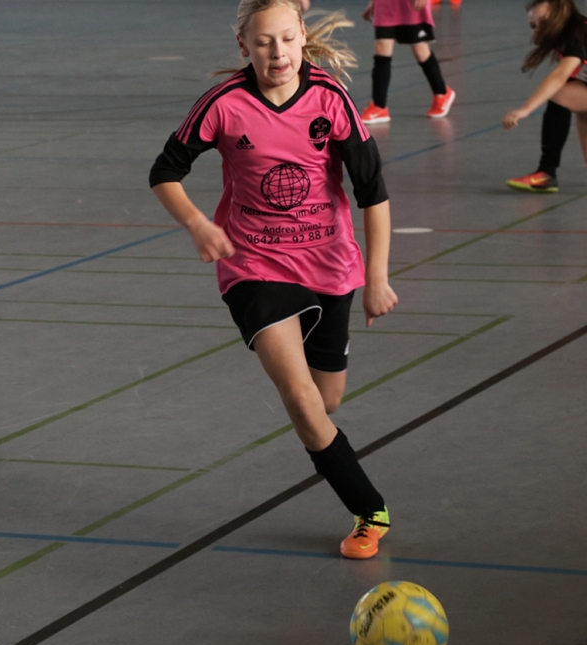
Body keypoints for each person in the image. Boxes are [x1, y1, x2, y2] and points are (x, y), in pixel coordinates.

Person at [150, 0, 398, 559]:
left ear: (303, 36)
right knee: (302, 401)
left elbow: (373, 193)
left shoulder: (330, 99)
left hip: (330, 264)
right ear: (244, 46)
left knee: (326, 401)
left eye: (286, 39)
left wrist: (378, 277)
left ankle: (326, 433)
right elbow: (164, 171)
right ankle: (369, 509)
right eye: (263, 42)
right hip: (254, 264)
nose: (277, 53)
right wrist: (197, 224)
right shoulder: (223, 103)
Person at [504, 0, 587, 193]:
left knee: (560, 94)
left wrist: (525, 109)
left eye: (543, 22)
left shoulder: (577, 33)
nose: (537, 30)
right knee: (575, 100)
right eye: (533, 25)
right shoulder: (570, 33)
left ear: (561, 11)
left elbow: (560, 76)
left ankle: (546, 172)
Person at [360, 0, 456, 123]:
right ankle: (379, 106)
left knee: (421, 51)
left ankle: (441, 92)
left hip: (411, 4)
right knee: (381, 47)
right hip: (385, 3)